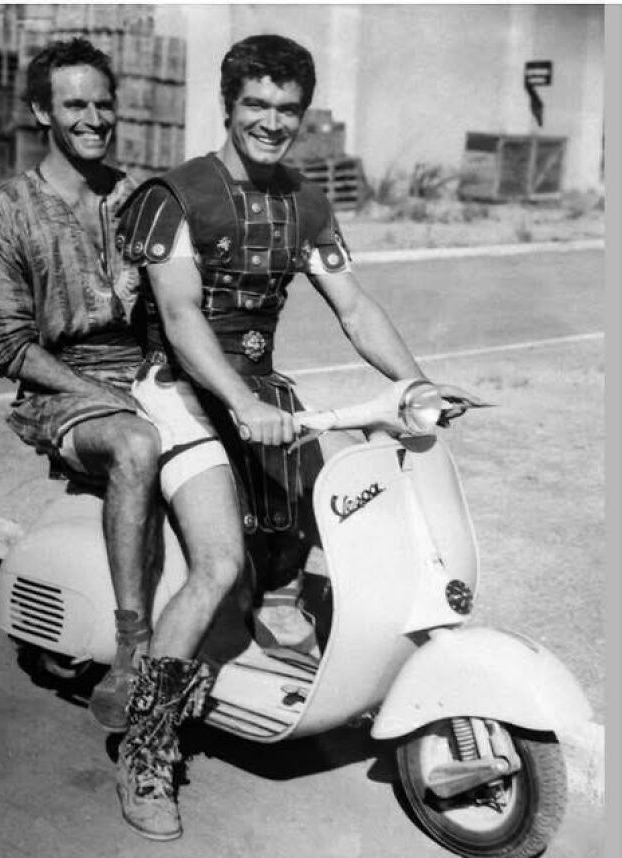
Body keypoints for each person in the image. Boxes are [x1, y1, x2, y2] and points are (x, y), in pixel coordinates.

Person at [113, 34, 481, 841]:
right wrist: (240, 402)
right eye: (257, 105)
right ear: (229, 104)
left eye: (288, 109)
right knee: (218, 563)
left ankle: (299, 651)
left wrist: (412, 384)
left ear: (302, 116)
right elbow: (178, 319)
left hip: (262, 395)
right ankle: (144, 750)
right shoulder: (174, 195)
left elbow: (353, 306)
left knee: (337, 521)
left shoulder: (307, 202)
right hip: (178, 390)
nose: (272, 122)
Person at [0, 38, 165, 733]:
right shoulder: (4, 214)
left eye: (103, 103)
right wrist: (106, 396)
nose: (93, 117)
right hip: (59, 392)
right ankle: (133, 646)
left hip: (146, 374)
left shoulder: (138, 197)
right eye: (74, 103)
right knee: (138, 444)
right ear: (41, 112)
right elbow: (7, 345)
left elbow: (176, 305)